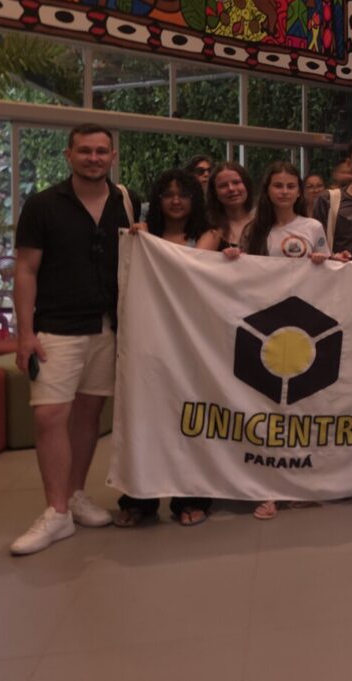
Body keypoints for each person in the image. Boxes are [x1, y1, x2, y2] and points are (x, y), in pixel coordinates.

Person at [10, 125, 143, 555]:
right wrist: (25, 333)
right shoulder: (43, 205)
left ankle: (75, 494)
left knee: (89, 414)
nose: (93, 157)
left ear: (113, 155)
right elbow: (26, 270)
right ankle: (56, 512)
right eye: (84, 150)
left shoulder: (127, 201)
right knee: (50, 416)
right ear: (68, 155)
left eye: (101, 151)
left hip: (108, 325)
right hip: (56, 326)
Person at [224, 161, 329, 520]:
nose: (284, 191)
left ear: (299, 191)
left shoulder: (313, 226)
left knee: (299, 408)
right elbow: (243, 278)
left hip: (302, 324)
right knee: (265, 409)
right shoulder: (255, 229)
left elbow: (331, 274)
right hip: (264, 327)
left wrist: (322, 260)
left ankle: (298, 483)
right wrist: (233, 259)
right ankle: (265, 487)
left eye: (290, 186)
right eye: (277, 185)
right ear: (267, 190)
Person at [114, 168, 213, 528]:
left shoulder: (207, 235)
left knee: (189, 419)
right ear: (156, 200)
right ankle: (139, 498)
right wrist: (138, 240)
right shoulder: (143, 237)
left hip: (191, 341)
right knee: (143, 418)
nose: (175, 200)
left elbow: (190, 268)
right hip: (147, 340)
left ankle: (192, 496)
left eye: (183, 194)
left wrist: (147, 245)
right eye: (168, 194)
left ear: (194, 199)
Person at [195, 162, 255, 252]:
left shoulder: (264, 223)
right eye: (223, 186)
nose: (231, 188)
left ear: (246, 186)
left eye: (236, 182)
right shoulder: (210, 229)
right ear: (215, 193)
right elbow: (194, 261)